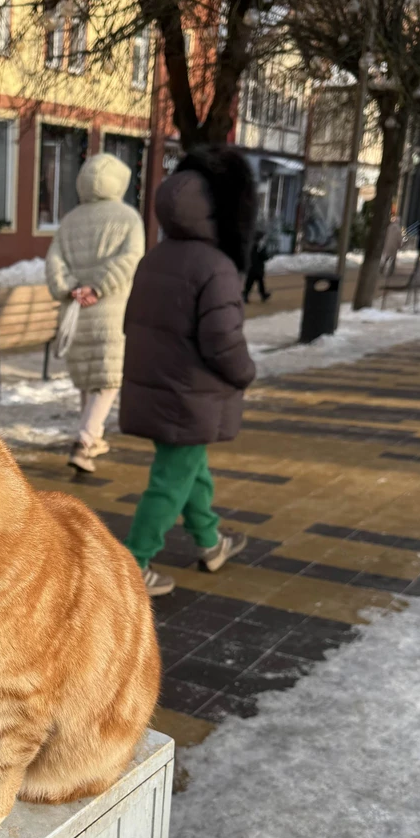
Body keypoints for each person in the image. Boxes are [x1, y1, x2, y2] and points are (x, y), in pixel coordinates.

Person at [119, 147, 256, 597]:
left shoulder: (154, 259)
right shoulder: (216, 266)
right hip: (191, 393)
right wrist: (245, 372)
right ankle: (133, 566)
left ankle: (211, 542)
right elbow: (223, 341)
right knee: (171, 480)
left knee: (190, 470)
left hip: (159, 387)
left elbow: (131, 325)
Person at [45, 153, 145, 474]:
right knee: (108, 379)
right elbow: (131, 259)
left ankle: (93, 435)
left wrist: (73, 287)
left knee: (89, 379)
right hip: (111, 311)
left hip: (74, 310)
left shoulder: (70, 220)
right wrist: (98, 286)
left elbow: (54, 263)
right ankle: (85, 441)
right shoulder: (128, 217)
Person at [244, 227, 273, 302]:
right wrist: (268, 256)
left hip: (252, 267)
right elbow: (263, 256)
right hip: (256, 267)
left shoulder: (252, 245)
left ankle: (262, 295)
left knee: (256, 282)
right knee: (253, 282)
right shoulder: (259, 246)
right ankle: (246, 295)